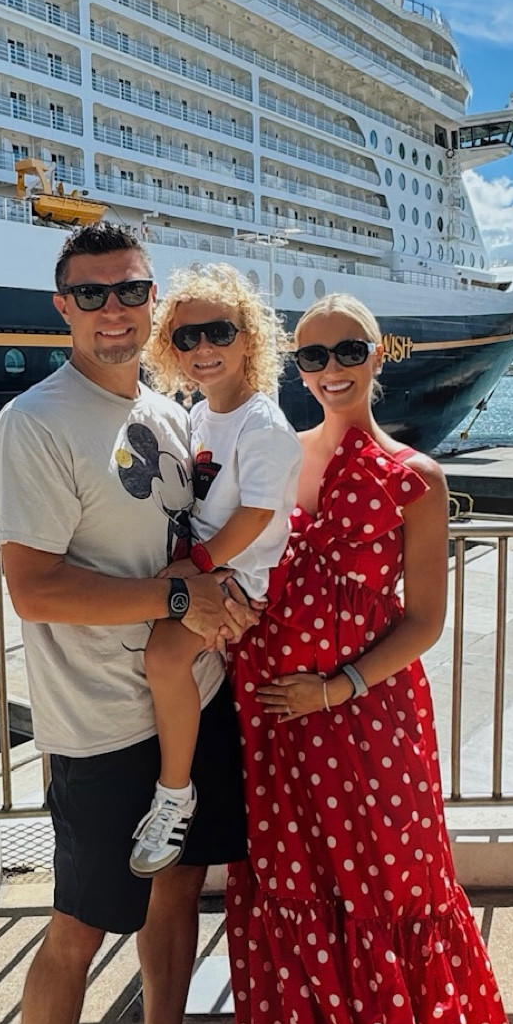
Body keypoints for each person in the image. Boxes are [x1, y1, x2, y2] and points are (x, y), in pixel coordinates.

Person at [224, 294, 513, 1024]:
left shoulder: (412, 477)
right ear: (296, 362)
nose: (331, 366)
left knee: (389, 912)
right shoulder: (275, 457)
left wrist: (333, 686)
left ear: (378, 355)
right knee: (305, 914)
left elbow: (424, 621)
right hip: (279, 743)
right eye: (313, 352)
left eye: (348, 349)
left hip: (369, 735)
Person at [0, 220, 257, 1024]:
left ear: (152, 301)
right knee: (79, 922)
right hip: (101, 722)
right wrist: (179, 591)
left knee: (181, 885)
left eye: (129, 290)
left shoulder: (165, 408)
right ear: (61, 307)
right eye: (90, 293)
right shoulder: (36, 421)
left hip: (191, 695)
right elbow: (34, 584)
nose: (113, 308)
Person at [129, 264, 302, 878]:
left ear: (249, 339)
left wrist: (197, 567)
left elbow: (257, 515)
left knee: (164, 659)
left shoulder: (263, 423)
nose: (203, 348)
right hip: (208, 568)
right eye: (186, 337)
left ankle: (176, 795)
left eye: (219, 332)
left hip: (234, 577)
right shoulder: (198, 418)